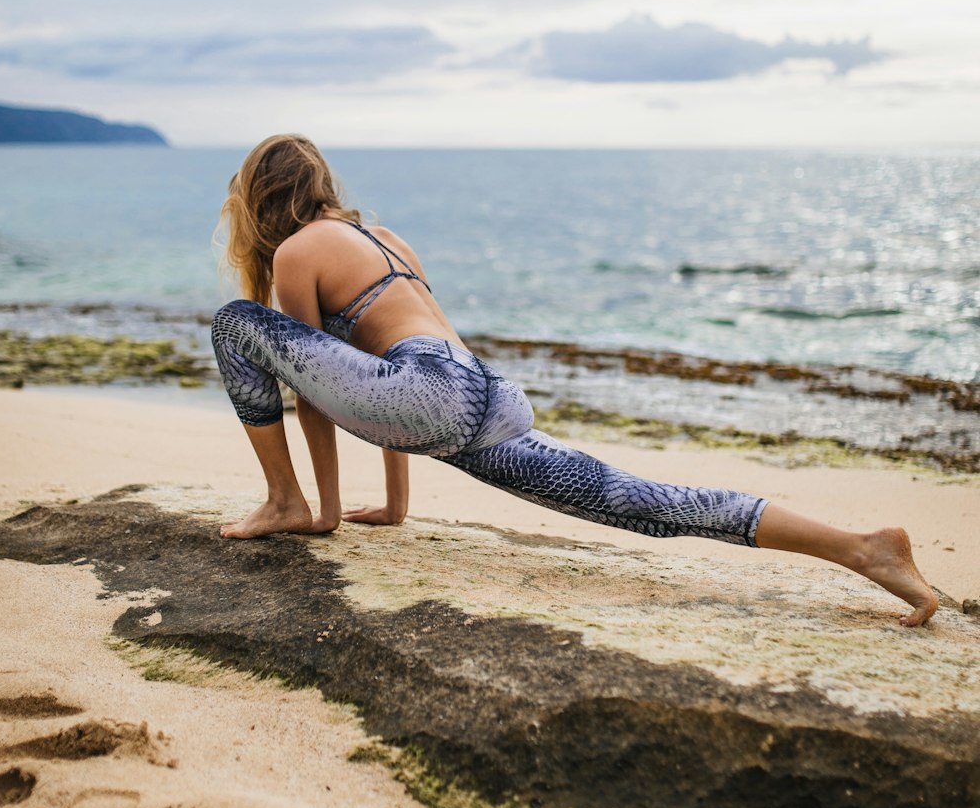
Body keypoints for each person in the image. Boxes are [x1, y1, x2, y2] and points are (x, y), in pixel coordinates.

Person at [211, 134, 937, 628]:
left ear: (262, 199)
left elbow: (316, 388)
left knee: (235, 323)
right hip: (485, 399)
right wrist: (396, 507)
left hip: (428, 397)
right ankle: (862, 548)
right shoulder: (383, 239)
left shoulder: (300, 251)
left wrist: (321, 510)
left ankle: (282, 500)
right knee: (644, 502)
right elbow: (378, 370)